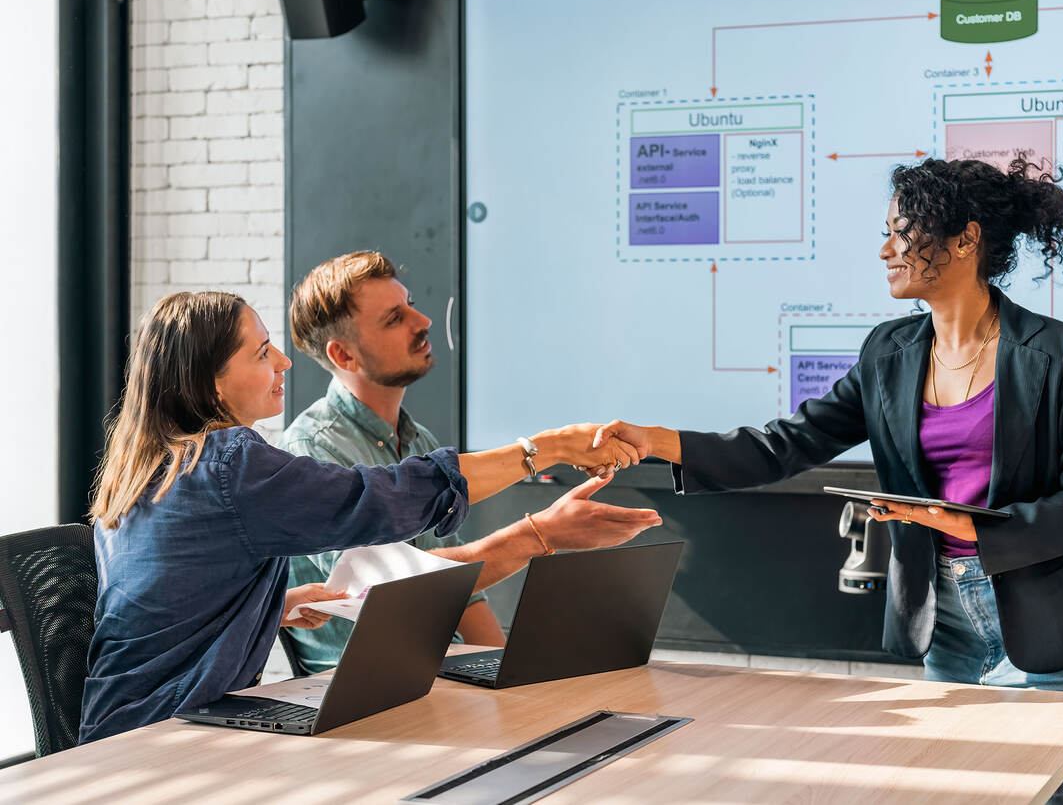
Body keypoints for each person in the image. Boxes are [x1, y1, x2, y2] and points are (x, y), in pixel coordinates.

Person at [595, 157, 1063, 804]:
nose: (884, 250)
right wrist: (660, 442)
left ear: (965, 240)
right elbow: (786, 443)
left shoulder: (1055, 351)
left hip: (1051, 630)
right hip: (948, 627)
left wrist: (974, 526)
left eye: (901, 234)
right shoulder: (889, 353)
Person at [81, 291, 655, 744]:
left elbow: (161, 597)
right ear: (207, 383)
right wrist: (545, 449)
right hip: (165, 738)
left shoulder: (149, 469)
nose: (283, 360)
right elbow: (380, 500)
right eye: (260, 353)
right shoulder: (230, 465)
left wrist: (271, 608)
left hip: (128, 729)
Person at [280, 250, 661, 673]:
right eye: (394, 318)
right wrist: (538, 534)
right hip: (367, 693)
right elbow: (380, 591)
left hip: (438, 677)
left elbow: (459, 591)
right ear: (344, 356)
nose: (422, 321)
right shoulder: (312, 450)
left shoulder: (417, 440)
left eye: (410, 305)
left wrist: (507, 675)